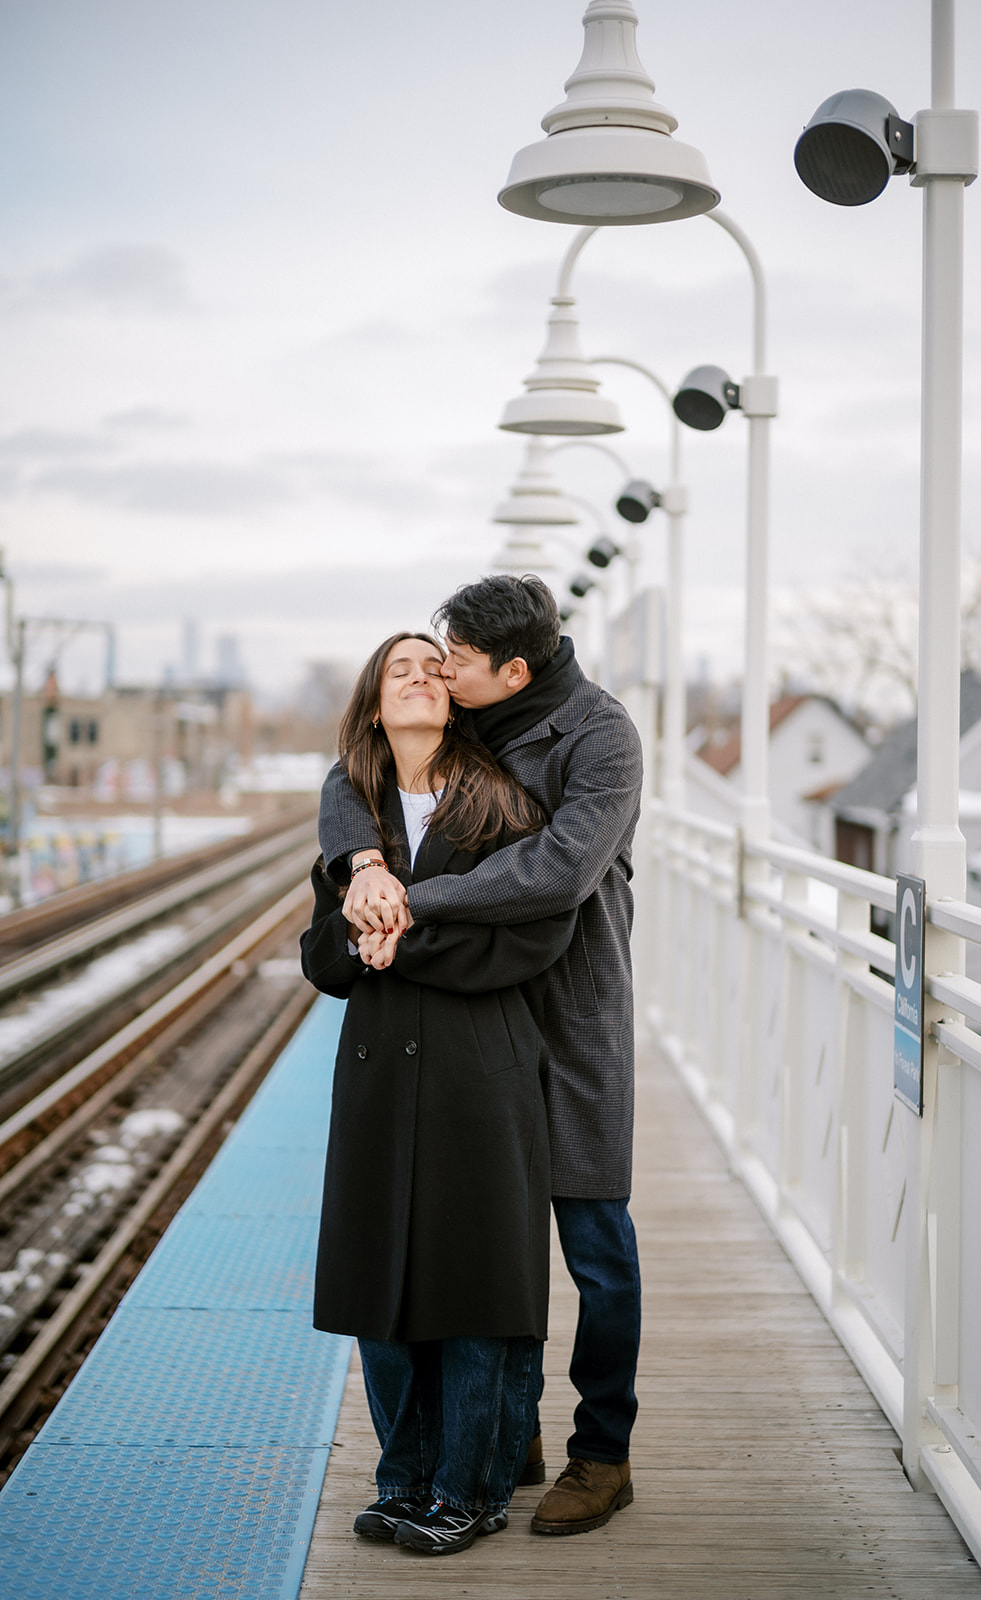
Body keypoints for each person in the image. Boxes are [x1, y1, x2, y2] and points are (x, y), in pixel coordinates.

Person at [318, 574, 644, 1537]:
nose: (440, 668)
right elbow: (356, 770)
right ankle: (507, 1433)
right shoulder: (466, 710)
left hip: (569, 1007)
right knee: (484, 1238)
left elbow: (560, 870)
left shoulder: (601, 735)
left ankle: (602, 1452)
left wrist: (407, 904)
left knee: (593, 1241)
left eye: (455, 658)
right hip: (461, 1018)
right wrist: (362, 862)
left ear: (514, 670)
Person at [301, 631, 575, 1556]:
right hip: (378, 1074)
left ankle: (473, 1488)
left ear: (455, 697)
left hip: (480, 1072)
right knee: (382, 1288)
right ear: (375, 703)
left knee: (475, 1290)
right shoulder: (355, 823)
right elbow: (318, 958)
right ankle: (404, 1480)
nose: (417, 678)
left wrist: (400, 938)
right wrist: (353, 934)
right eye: (396, 670)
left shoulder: (506, 805)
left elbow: (534, 938)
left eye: (432, 668)